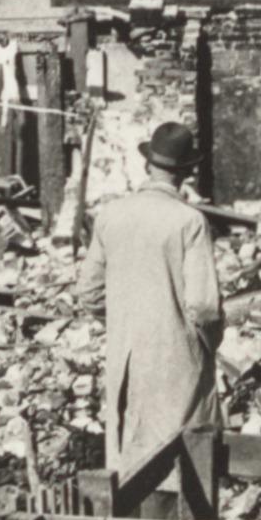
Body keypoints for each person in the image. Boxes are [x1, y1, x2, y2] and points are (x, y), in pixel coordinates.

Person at [72, 120, 227, 486]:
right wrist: (204, 344)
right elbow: (204, 307)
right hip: (176, 362)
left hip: (125, 358)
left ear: (147, 165)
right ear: (186, 173)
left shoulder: (111, 215)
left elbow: (89, 292)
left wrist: (124, 322)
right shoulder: (190, 221)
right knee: (184, 466)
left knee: (132, 466)